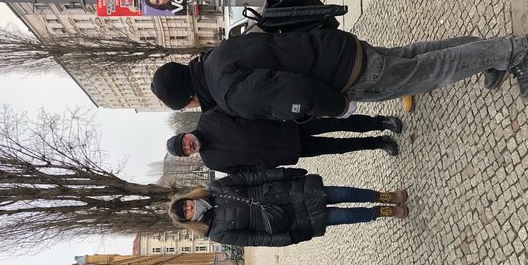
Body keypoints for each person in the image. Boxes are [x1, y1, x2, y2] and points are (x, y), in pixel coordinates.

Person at [150, 31, 528, 122]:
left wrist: (338, 107)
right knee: (418, 55)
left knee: (432, 70)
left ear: (188, 97)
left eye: (187, 106)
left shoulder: (228, 91)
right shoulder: (218, 54)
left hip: (348, 75)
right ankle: (491, 56)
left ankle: (516, 51)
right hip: (338, 48)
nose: (194, 108)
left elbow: (295, 94)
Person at [167, 167, 408, 247]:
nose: (189, 208)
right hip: (286, 220)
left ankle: (384, 196)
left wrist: (283, 173)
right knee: (342, 216)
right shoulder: (215, 233)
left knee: (342, 193)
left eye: (185, 205)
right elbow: (256, 240)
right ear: (189, 221)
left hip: (287, 192)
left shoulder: (215, 188)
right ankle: (381, 212)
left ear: (189, 198)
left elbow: (253, 177)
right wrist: (289, 238)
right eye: (186, 213)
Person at [166, 110, 403, 174]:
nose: (188, 147)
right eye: (185, 151)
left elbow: (246, 110)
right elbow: (244, 170)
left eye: (184, 142)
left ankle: (380, 122)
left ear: (185, 134)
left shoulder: (209, 117)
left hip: (289, 125)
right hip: (286, 152)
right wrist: (266, 163)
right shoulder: (211, 161)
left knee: (337, 123)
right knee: (336, 147)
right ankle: (378, 142)